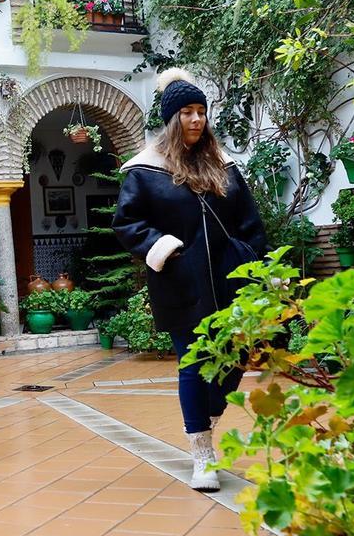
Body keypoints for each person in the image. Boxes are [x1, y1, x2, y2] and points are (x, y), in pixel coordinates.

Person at [112, 68, 267, 491]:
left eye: (201, 111)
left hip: (232, 282)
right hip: (180, 283)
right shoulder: (146, 171)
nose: (196, 119)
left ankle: (207, 418)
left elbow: (250, 222)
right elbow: (126, 223)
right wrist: (163, 248)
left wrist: (251, 259)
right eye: (187, 112)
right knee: (195, 364)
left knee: (236, 358)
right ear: (172, 118)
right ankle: (202, 452)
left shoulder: (224, 166)